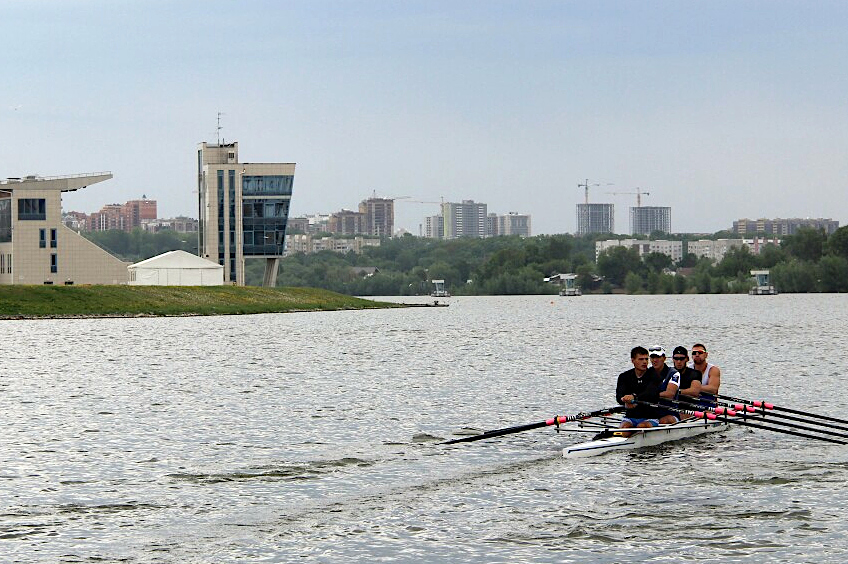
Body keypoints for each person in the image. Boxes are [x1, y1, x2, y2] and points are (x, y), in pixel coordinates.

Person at [616, 346, 661, 435]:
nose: (644, 362)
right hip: (630, 417)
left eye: (646, 359)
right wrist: (624, 401)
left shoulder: (654, 376)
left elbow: (650, 393)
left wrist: (634, 398)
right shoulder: (624, 377)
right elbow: (619, 396)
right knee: (623, 430)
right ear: (633, 360)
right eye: (641, 359)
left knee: (640, 427)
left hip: (650, 417)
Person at [646, 345, 681, 424]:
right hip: (652, 413)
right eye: (652, 357)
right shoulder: (646, 373)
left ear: (664, 358)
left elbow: (670, 394)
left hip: (670, 413)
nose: (655, 360)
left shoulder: (674, 373)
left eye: (658, 357)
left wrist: (648, 396)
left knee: (663, 421)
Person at [670, 346, 702, 418]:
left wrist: (675, 392)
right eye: (676, 358)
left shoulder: (695, 373)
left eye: (682, 359)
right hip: (671, 408)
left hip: (689, 409)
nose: (679, 362)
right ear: (673, 359)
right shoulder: (668, 373)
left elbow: (694, 392)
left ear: (687, 359)